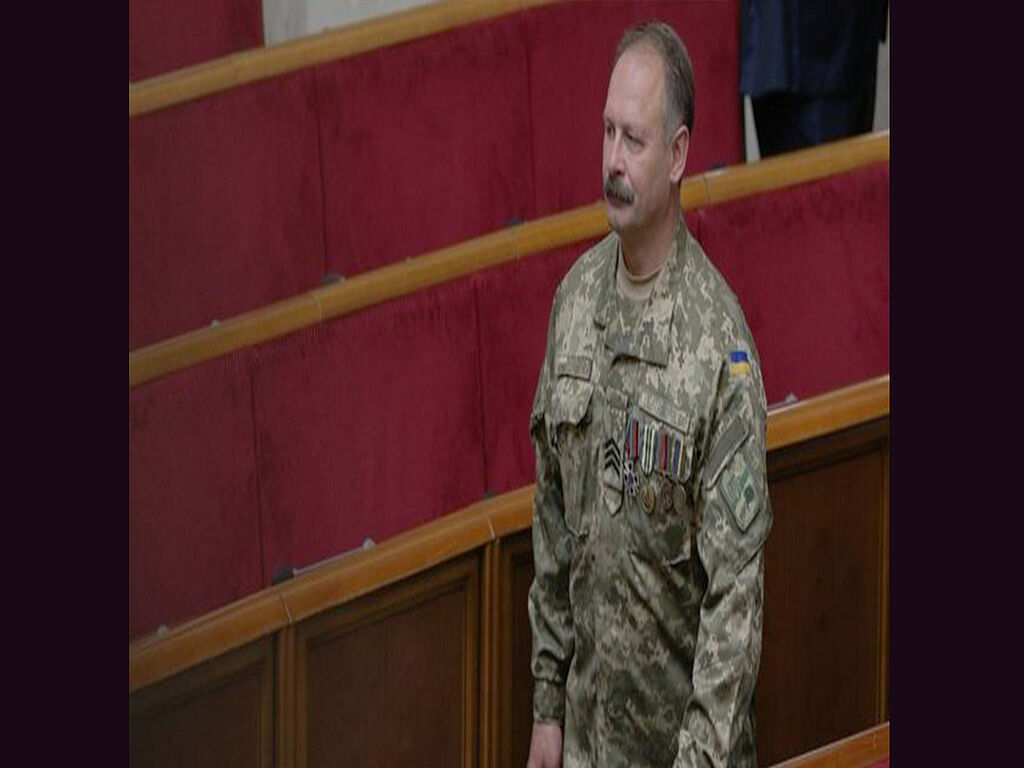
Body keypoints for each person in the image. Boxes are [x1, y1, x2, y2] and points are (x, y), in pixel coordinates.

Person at [526, 21, 772, 768]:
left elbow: (736, 603)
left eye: (634, 140)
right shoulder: (573, 305)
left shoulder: (718, 347)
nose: (612, 161)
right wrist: (546, 706)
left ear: (678, 154)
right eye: (606, 133)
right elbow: (551, 527)